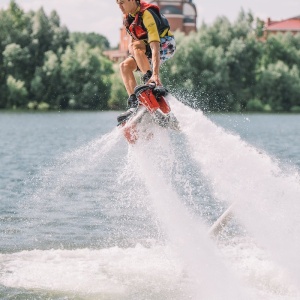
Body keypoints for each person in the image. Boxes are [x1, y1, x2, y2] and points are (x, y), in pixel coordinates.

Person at [116, 0, 176, 123]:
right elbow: (133, 42)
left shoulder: (147, 14)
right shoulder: (128, 18)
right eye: (117, 4)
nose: (120, 7)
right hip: (145, 49)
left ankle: (150, 81)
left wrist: (155, 75)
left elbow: (155, 46)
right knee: (124, 66)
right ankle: (135, 104)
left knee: (135, 47)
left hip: (165, 45)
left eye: (122, 3)